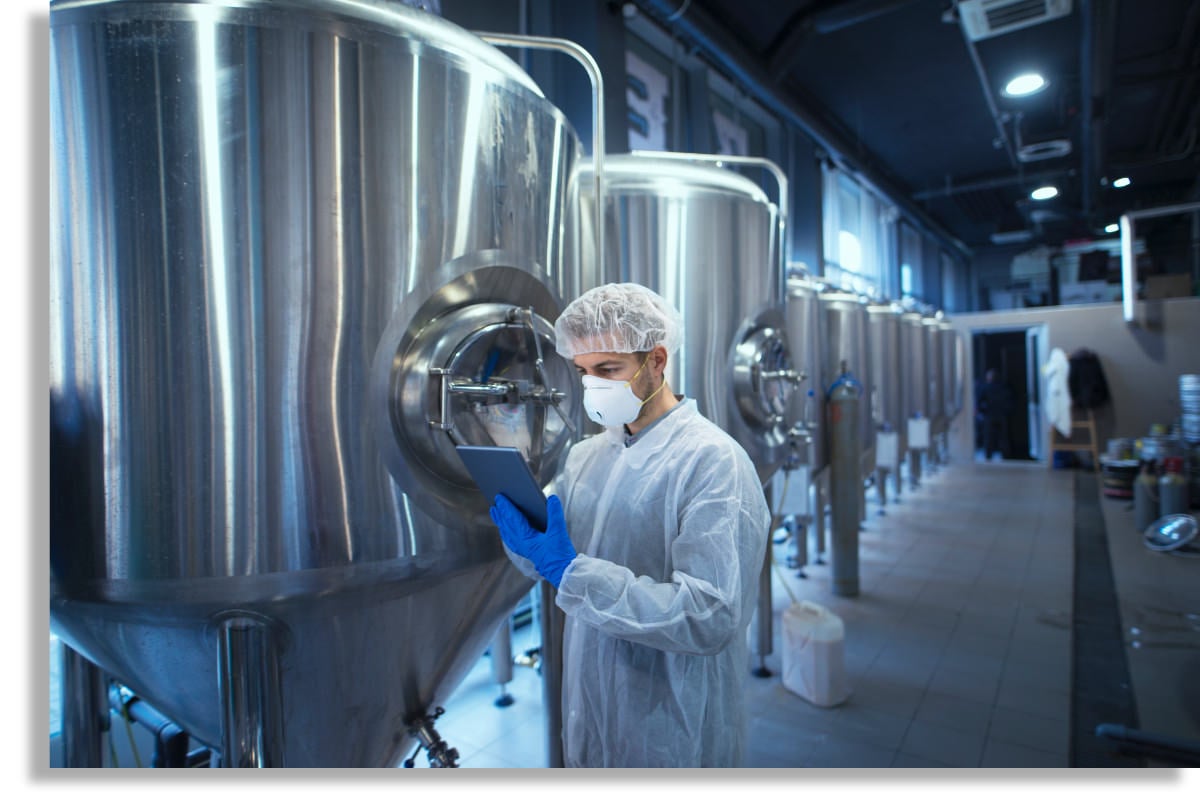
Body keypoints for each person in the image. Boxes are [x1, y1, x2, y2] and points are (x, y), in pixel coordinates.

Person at [488, 282, 770, 768]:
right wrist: (527, 543)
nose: (593, 385)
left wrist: (572, 574)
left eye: (608, 370)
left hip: (671, 713)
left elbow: (709, 615)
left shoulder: (713, 462)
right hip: (590, 702)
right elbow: (549, 557)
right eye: (583, 372)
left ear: (656, 361)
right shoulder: (586, 457)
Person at [976, 368, 1014, 461]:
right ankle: (1005, 455)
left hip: (990, 415)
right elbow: (1010, 401)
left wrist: (981, 411)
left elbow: (980, 401)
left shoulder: (986, 388)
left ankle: (988, 455)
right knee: (1003, 437)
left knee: (989, 436)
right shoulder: (1004, 387)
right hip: (1001, 415)